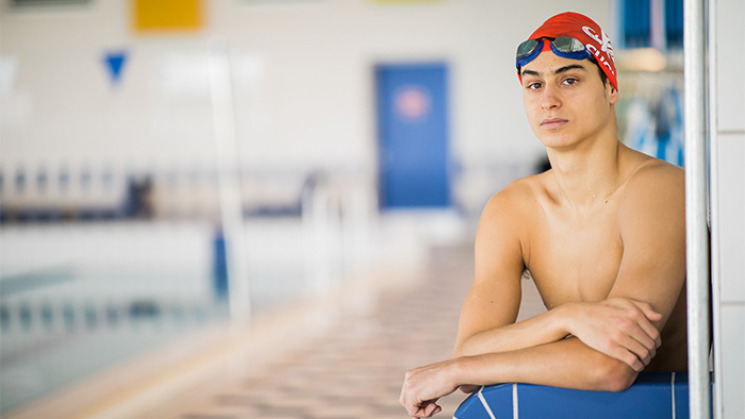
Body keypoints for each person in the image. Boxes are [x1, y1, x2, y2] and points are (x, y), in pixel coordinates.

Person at [400, 12, 687, 418]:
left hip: (668, 402)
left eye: (569, 80)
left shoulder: (659, 189)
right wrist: (568, 318)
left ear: (610, 87)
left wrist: (458, 368)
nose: (548, 99)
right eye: (534, 84)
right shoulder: (511, 209)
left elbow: (614, 364)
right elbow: (470, 346)